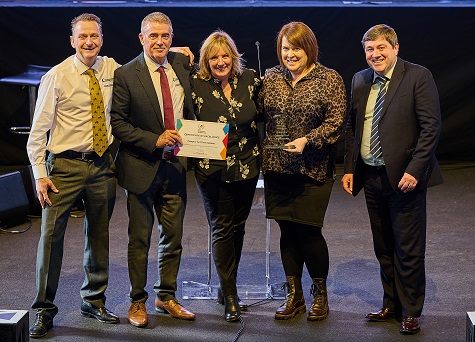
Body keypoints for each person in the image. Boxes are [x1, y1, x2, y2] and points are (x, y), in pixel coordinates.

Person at [342, 24, 443, 335]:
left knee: (408, 248)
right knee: (383, 246)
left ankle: (411, 310)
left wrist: (414, 169)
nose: (376, 54)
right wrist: (349, 168)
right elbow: (353, 128)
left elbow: (431, 128)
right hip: (371, 176)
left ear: (395, 48)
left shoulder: (417, 76)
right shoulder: (360, 79)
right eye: (370, 50)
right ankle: (391, 304)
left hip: (404, 178)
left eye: (381, 48)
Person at [26, 13, 120, 338]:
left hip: (101, 165)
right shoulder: (57, 76)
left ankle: (93, 300)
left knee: (99, 236)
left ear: (102, 39)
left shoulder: (111, 68)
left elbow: (145, 68)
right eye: (82, 37)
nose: (89, 42)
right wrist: (40, 174)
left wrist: (174, 51)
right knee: (51, 239)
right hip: (63, 167)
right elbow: (37, 134)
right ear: (72, 41)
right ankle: (42, 310)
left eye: (94, 36)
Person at [110, 12, 196, 328]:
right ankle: (137, 301)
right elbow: (118, 124)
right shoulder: (126, 74)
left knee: (173, 237)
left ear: (172, 38)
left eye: (165, 36)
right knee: (140, 239)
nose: (159, 41)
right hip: (140, 167)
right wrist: (154, 140)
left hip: (175, 166)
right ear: (141, 38)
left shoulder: (181, 66)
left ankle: (166, 296)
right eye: (153, 36)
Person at [258, 22, 347, 321]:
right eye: (285, 49)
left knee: (309, 231)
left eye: (296, 48)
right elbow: (253, 112)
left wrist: (308, 140)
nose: (290, 54)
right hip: (277, 169)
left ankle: (319, 296)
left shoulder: (329, 79)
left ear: (309, 48)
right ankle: (293, 296)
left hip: (314, 169)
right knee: (287, 231)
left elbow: (336, 123)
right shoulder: (270, 78)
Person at [190, 30, 262, 322]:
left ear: (234, 57)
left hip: (247, 164)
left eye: (225, 56)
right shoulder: (194, 82)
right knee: (222, 227)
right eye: (213, 57)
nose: (220, 62)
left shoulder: (251, 79)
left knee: (239, 227)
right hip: (212, 167)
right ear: (206, 61)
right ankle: (230, 295)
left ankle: (225, 286)